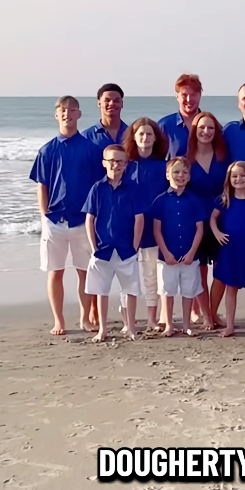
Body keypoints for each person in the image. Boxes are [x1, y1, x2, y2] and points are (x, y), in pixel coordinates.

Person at [29, 96, 101, 336]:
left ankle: (85, 319)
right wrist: (44, 215)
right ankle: (59, 321)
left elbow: (98, 185)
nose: (67, 114)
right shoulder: (47, 149)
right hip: (55, 221)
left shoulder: (90, 148)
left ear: (79, 115)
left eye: (72, 110)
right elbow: (42, 185)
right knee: (55, 271)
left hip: (82, 220)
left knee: (85, 271)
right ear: (56, 115)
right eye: (63, 110)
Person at [83, 145, 145, 342]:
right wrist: (93, 247)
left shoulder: (134, 189)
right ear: (104, 163)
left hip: (126, 249)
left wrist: (135, 246)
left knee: (130, 290)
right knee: (101, 291)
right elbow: (89, 219)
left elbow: (139, 219)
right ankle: (103, 329)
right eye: (112, 161)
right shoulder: (97, 188)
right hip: (102, 249)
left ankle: (132, 327)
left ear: (126, 164)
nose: (115, 165)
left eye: (120, 161)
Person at [122, 118, 169, 332]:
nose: (145, 138)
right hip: (127, 229)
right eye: (140, 134)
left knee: (151, 274)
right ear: (133, 137)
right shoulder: (125, 165)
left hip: (154, 229)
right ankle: (127, 321)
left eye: (149, 134)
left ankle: (152, 318)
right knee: (127, 274)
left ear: (155, 138)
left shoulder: (163, 167)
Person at [211, 162, 245, 338]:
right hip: (229, 251)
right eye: (234, 176)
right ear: (229, 179)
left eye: (242, 175)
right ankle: (229, 326)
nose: (238, 179)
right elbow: (212, 219)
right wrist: (217, 233)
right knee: (230, 288)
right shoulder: (224, 200)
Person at [152, 157, 205, 337]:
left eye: (184, 172)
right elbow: (157, 230)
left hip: (189, 256)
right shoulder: (160, 200)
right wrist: (166, 253)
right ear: (167, 175)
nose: (180, 175)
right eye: (176, 172)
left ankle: (186, 325)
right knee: (167, 291)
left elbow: (200, 229)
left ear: (189, 176)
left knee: (189, 290)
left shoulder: (195, 200)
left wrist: (192, 253)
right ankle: (168, 325)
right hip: (167, 256)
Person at [186, 112, 229, 329]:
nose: (206, 132)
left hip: (221, 219)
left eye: (210, 128)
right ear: (194, 130)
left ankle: (212, 312)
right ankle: (206, 315)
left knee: (221, 270)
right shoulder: (186, 157)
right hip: (195, 222)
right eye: (201, 127)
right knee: (200, 270)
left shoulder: (223, 156)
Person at [158, 74, 203, 158]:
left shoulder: (211, 126)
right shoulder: (164, 126)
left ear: (200, 95)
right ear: (177, 97)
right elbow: (154, 160)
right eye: (184, 95)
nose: (189, 99)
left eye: (193, 94)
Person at [82, 84, 128, 153]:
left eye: (116, 101)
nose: (111, 103)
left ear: (122, 104)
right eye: (107, 100)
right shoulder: (86, 137)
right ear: (99, 103)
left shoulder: (131, 134)